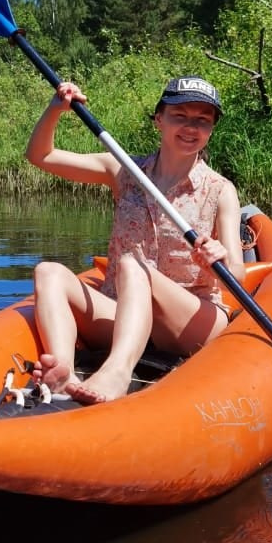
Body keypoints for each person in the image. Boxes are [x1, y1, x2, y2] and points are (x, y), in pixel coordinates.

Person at [25, 75, 246, 404]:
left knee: (133, 264)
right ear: (159, 120)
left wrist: (218, 260)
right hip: (123, 314)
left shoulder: (220, 190)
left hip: (189, 320)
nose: (190, 127)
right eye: (180, 116)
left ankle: (116, 372)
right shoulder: (124, 170)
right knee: (49, 272)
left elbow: (237, 278)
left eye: (202, 120)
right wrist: (56, 110)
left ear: (211, 129)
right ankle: (63, 372)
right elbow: (41, 156)